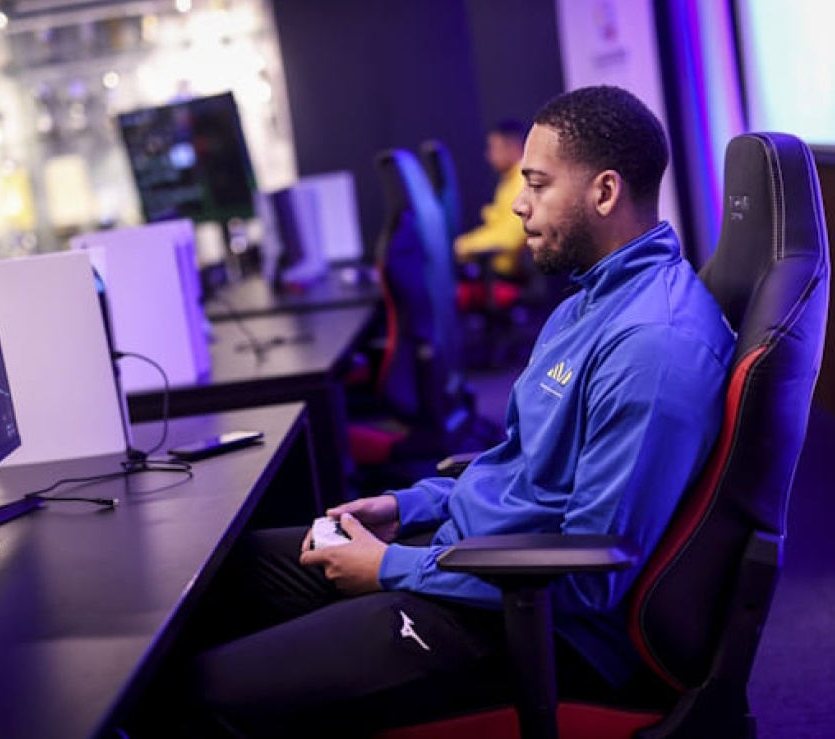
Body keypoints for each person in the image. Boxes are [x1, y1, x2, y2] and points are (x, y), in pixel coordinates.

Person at [167, 85, 736, 737]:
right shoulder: (588, 300)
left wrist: (391, 568)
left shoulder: (654, 347)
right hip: (475, 560)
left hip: (534, 629)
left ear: (604, 192)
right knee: (226, 577)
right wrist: (409, 506)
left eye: (537, 184)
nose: (518, 204)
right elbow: (519, 467)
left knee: (202, 695)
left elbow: (590, 575)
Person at [453, 118, 528, 282]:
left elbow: (509, 238)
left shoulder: (523, 181)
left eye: (493, 148)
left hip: (512, 278)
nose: (488, 156)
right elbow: (498, 228)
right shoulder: (508, 180)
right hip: (497, 272)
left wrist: (466, 245)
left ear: (512, 147)